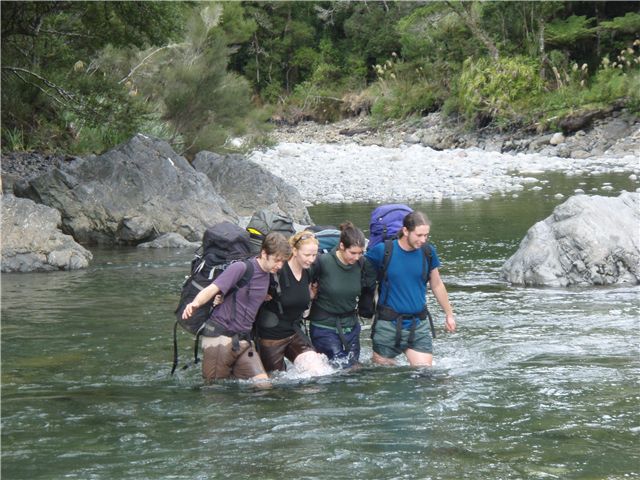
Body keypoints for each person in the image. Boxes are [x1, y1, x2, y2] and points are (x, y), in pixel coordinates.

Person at [181, 231, 291, 384]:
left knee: (263, 385)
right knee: (215, 391)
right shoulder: (241, 268)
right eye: (277, 260)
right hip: (220, 337)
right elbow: (213, 288)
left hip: (244, 341)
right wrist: (195, 303)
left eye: (283, 261)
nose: (280, 265)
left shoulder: (268, 275)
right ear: (264, 253)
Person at [364, 211, 456, 367]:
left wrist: (449, 314)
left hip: (418, 324)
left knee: (425, 374)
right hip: (387, 325)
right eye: (419, 235)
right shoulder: (383, 251)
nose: (423, 240)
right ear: (405, 231)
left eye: (426, 235)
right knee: (385, 376)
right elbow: (359, 273)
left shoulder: (428, 252)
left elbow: (437, 284)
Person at [256, 231, 330, 375]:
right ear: (295, 251)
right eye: (307, 255)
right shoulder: (277, 270)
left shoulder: (309, 271)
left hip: (294, 331)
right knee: (277, 382)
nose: (311, 260)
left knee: (317, 370)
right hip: (271, 337)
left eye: (314, 255)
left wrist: (312, 294)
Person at [307, 221, 366, 368]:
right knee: (340, 370)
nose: (357, 257)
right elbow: (302, 281)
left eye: (360, 253)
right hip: (324, 326)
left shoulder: (362, 264)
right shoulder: (322, 262)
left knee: (354, 369)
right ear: (341, 246)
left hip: (351, 326)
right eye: (353, 253)